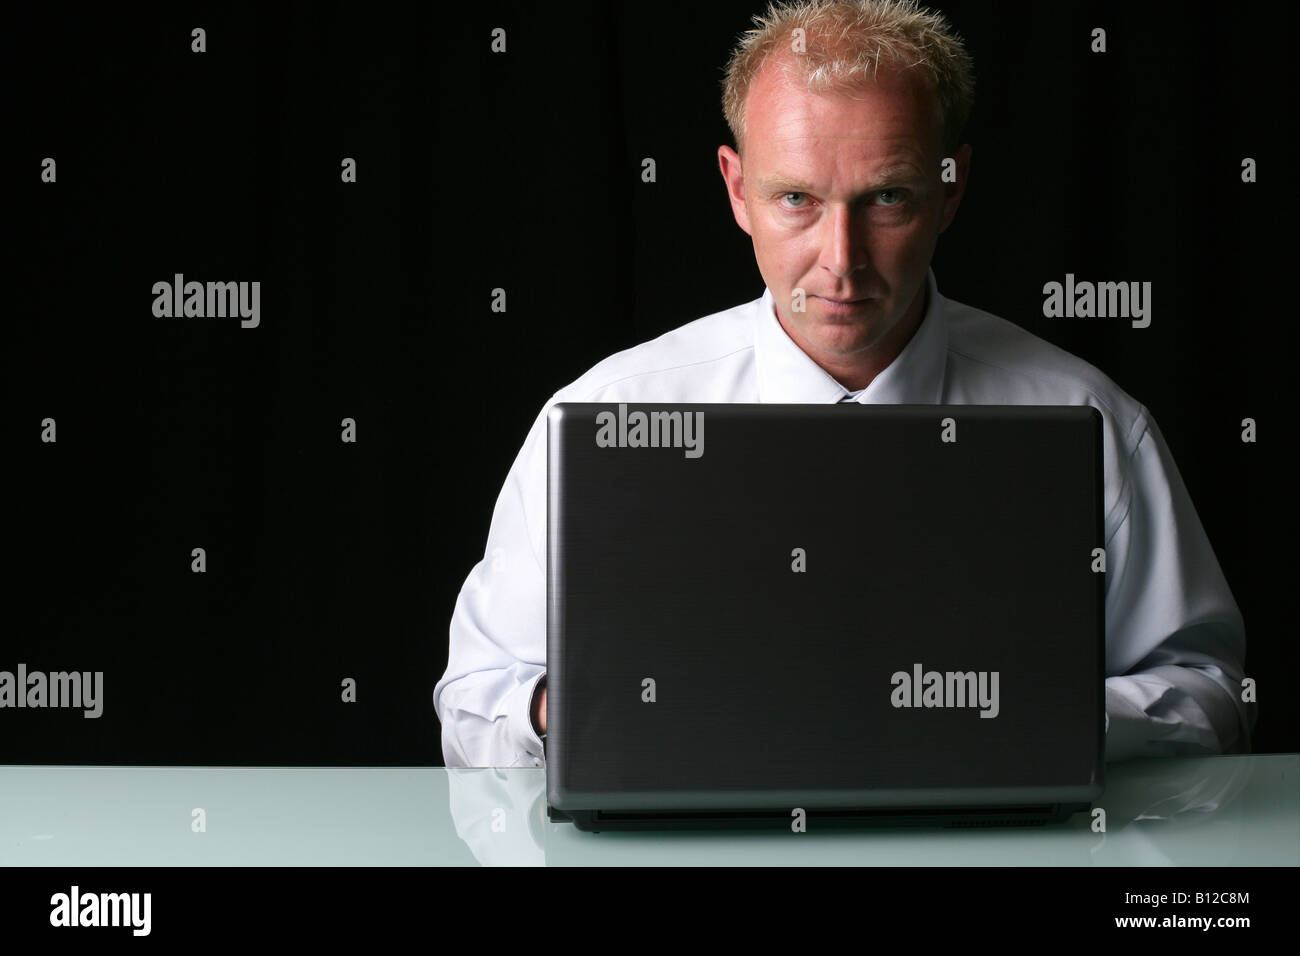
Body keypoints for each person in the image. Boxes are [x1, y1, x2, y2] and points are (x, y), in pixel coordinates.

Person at [434, 0, 1254, 768]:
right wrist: (598, 712)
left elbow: (1212, 696)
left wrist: (1014, 719)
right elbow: (475, 702)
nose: (841, 260)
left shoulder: (1091, 419)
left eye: (887, 198)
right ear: (735, 189)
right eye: (796, 197)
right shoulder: (602, 414)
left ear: (949, 189)